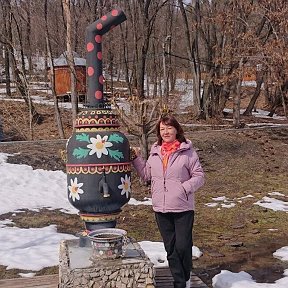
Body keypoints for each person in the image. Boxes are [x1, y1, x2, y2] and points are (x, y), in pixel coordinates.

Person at [131, 114, 205, 288]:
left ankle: (186, 275)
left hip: (183, 208)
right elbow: (147, 175)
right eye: (162, 129)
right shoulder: (155, 151)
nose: (165, 132)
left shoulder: (187, 152)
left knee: (182, 246)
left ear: (176, 130)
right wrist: (135, 159)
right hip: (161, 208)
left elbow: (199, 176)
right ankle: (180, 282)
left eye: (169, 128)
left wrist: (184, 189)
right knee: (170, 249)